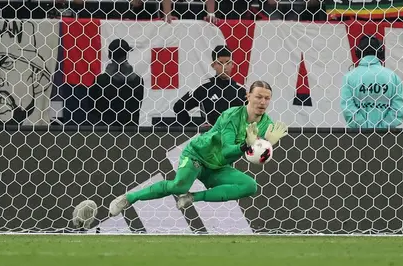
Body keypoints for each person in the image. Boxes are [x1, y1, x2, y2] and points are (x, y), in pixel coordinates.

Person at [108, 81, 289, 216]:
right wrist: (246, 144)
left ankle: (193, 197)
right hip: (197, 156)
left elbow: (254, 156)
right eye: (258, 97)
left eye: (267, 98)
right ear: (248, 97)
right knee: (179, 186)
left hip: (218, 166)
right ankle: (128, 198)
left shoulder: (266, 124)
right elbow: (227, 150)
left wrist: (267, 144)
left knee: (250, 186)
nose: (262, 102)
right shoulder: (231, 116)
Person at [340, 36, 403, 128]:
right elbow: (399, 110)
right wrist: (381, 129)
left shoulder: (349, 77)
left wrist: (366, 128)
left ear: (358, 52)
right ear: (381, 52)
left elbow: (348, 109)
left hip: (357, 135)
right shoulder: (392, 77)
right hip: (387, 135)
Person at [173, 46, 247, 126]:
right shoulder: (204, 88)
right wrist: (193, 128)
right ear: (213, 65)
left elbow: (251, 114)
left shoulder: (241, 90)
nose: (224, 67)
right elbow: (178, 106)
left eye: (228, 63)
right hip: (210, 133)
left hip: (233, 133)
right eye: (220, 63)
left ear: (233, 64)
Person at [89, 38, 144, 125]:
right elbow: (137, 108)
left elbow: (92, 109)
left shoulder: (100, 81)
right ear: (126, 56)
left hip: (104, 129)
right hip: (129, 129)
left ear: (109, 56)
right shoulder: (138, 81)